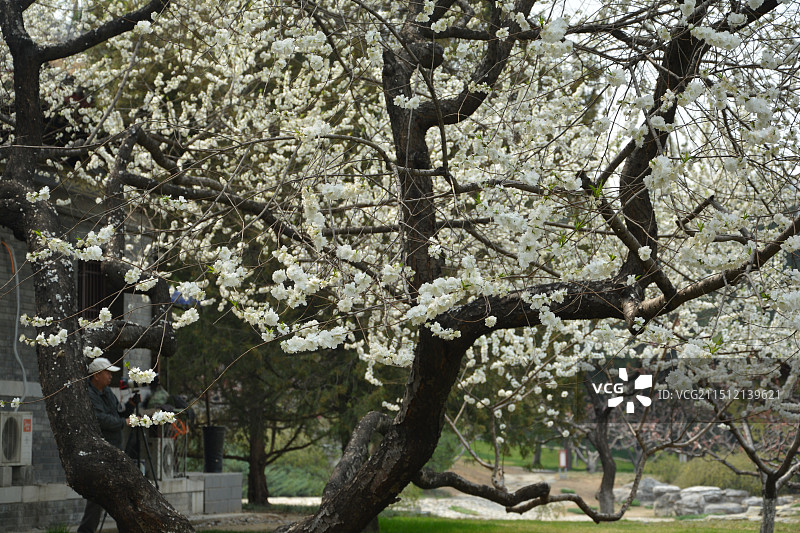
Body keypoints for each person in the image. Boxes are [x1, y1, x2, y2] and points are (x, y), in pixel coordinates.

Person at [78, 357, 139, 533]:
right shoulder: (89, 394)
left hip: (114, 451)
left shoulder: (107, 393)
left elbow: (118, 412)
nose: (110, 376)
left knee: (118, 499)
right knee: (97, 499)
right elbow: (101, 419)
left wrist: (130, 406)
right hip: (101, 454)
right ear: (96, 375)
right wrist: (123, 422)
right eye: (107, 372)